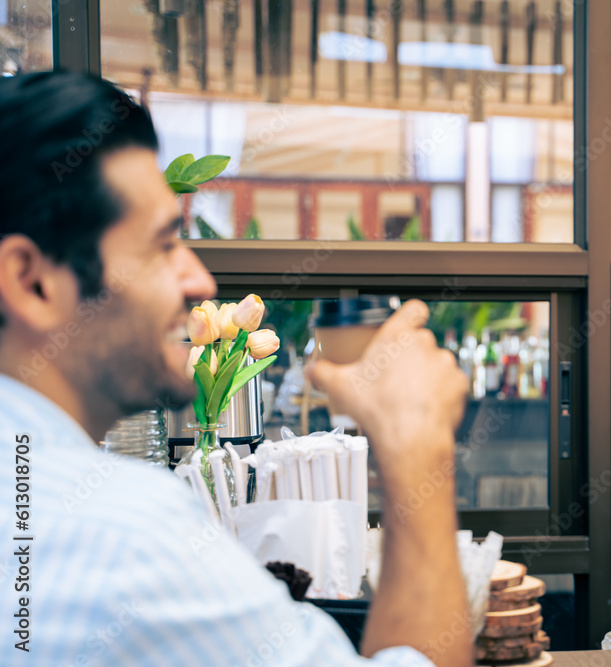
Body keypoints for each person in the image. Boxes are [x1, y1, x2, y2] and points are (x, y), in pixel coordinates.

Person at [0, 72, 471, 666]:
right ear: (31, 282)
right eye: (162, 245)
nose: (200, 281)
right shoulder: (128, 535)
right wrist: (418, 447)